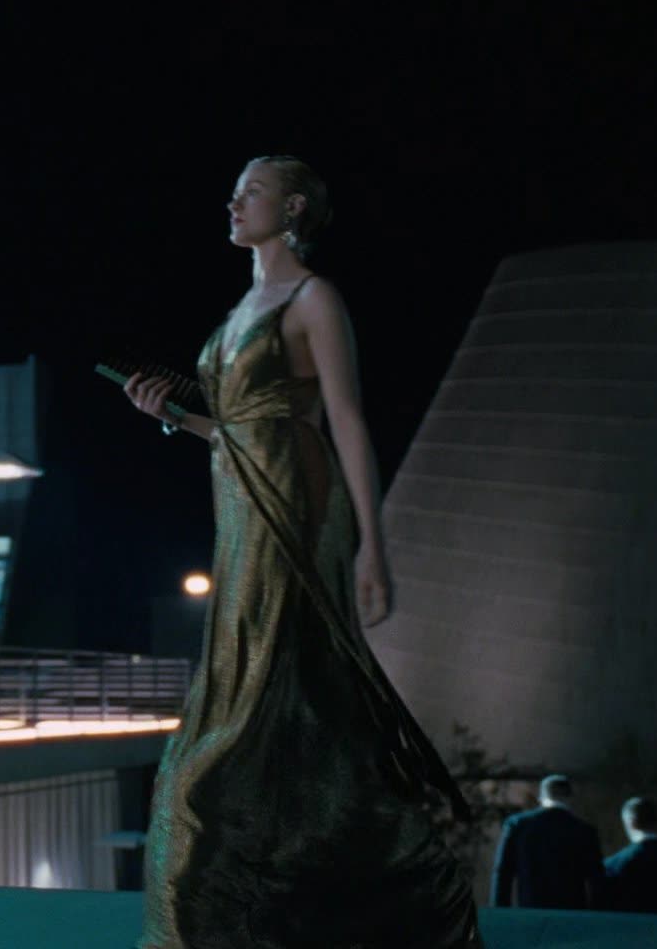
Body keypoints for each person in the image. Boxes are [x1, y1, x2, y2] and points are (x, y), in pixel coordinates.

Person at [131, 157, 482, 947]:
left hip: (296, 507)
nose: (233, 201)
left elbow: (344, 419)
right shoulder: (241, 308)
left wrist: (372, 547)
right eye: (234, 189)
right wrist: (169, 417)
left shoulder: (314, 298)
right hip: (241, 512)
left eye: (251, 191)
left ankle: (345, 895)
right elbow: (238, 432)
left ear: (291, 208)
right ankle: (289, 899)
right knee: (268, 699)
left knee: (284, 690)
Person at [492, 774, 605, 911]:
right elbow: (597, 881)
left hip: (530, 911)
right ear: (569, 797)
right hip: (572, 913)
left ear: (541, 798)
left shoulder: (518, 825)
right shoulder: (585, 831)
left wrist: (500, 912)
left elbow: (503, 873)